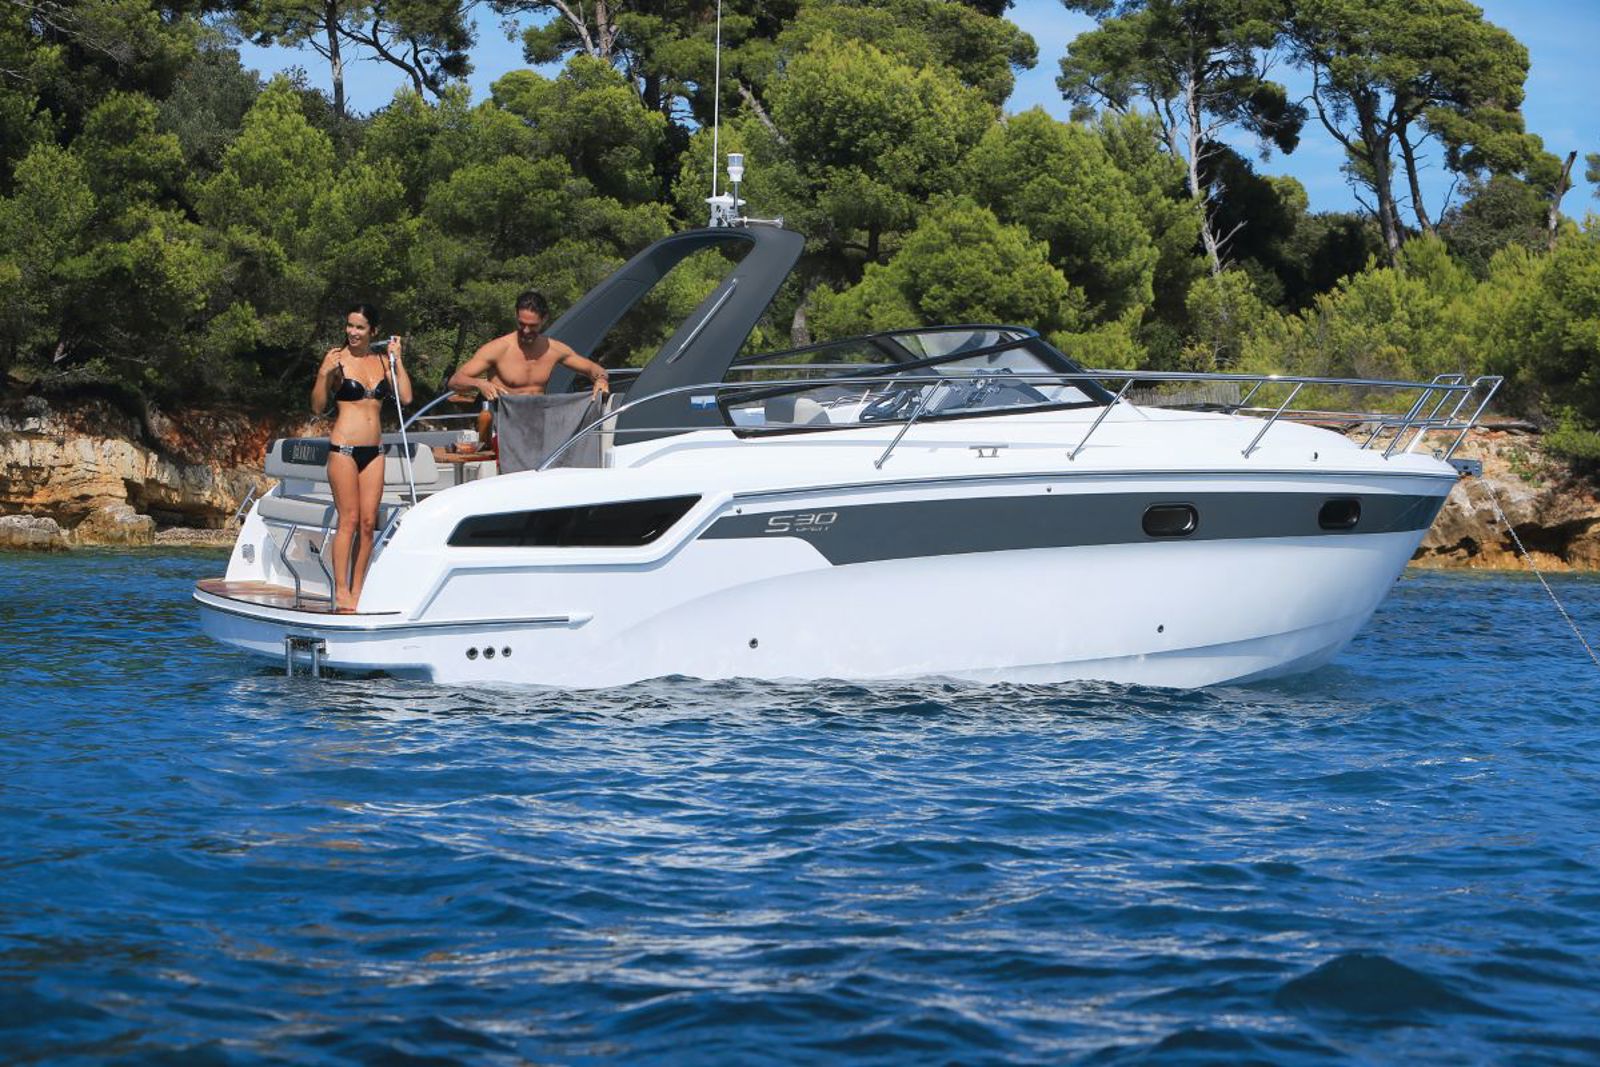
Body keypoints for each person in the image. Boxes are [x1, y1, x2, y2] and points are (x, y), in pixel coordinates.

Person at [310, 303, 413, 612]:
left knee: (368, 524)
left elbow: (406, 397)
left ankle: (358, 589)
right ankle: (342, 591)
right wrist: (322, 374)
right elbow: (317, 407)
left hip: (375, 451)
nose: (352, 332)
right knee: (349, 520)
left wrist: (397, 360)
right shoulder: (337, 360)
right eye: (350, 326)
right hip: (344, 449)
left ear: (373, 331)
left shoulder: (382, 361)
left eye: (360, 327)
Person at [448, 292, 610, 431]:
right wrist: (480, 384)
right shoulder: (497, 349)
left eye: (532, 326)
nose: (526, 330)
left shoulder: (554, 349)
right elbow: (455, 381)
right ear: (516, 316)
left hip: (538, 425)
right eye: (521, 324)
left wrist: (601, 379)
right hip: (504, 427)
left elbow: (595, 369)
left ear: (544, 319)